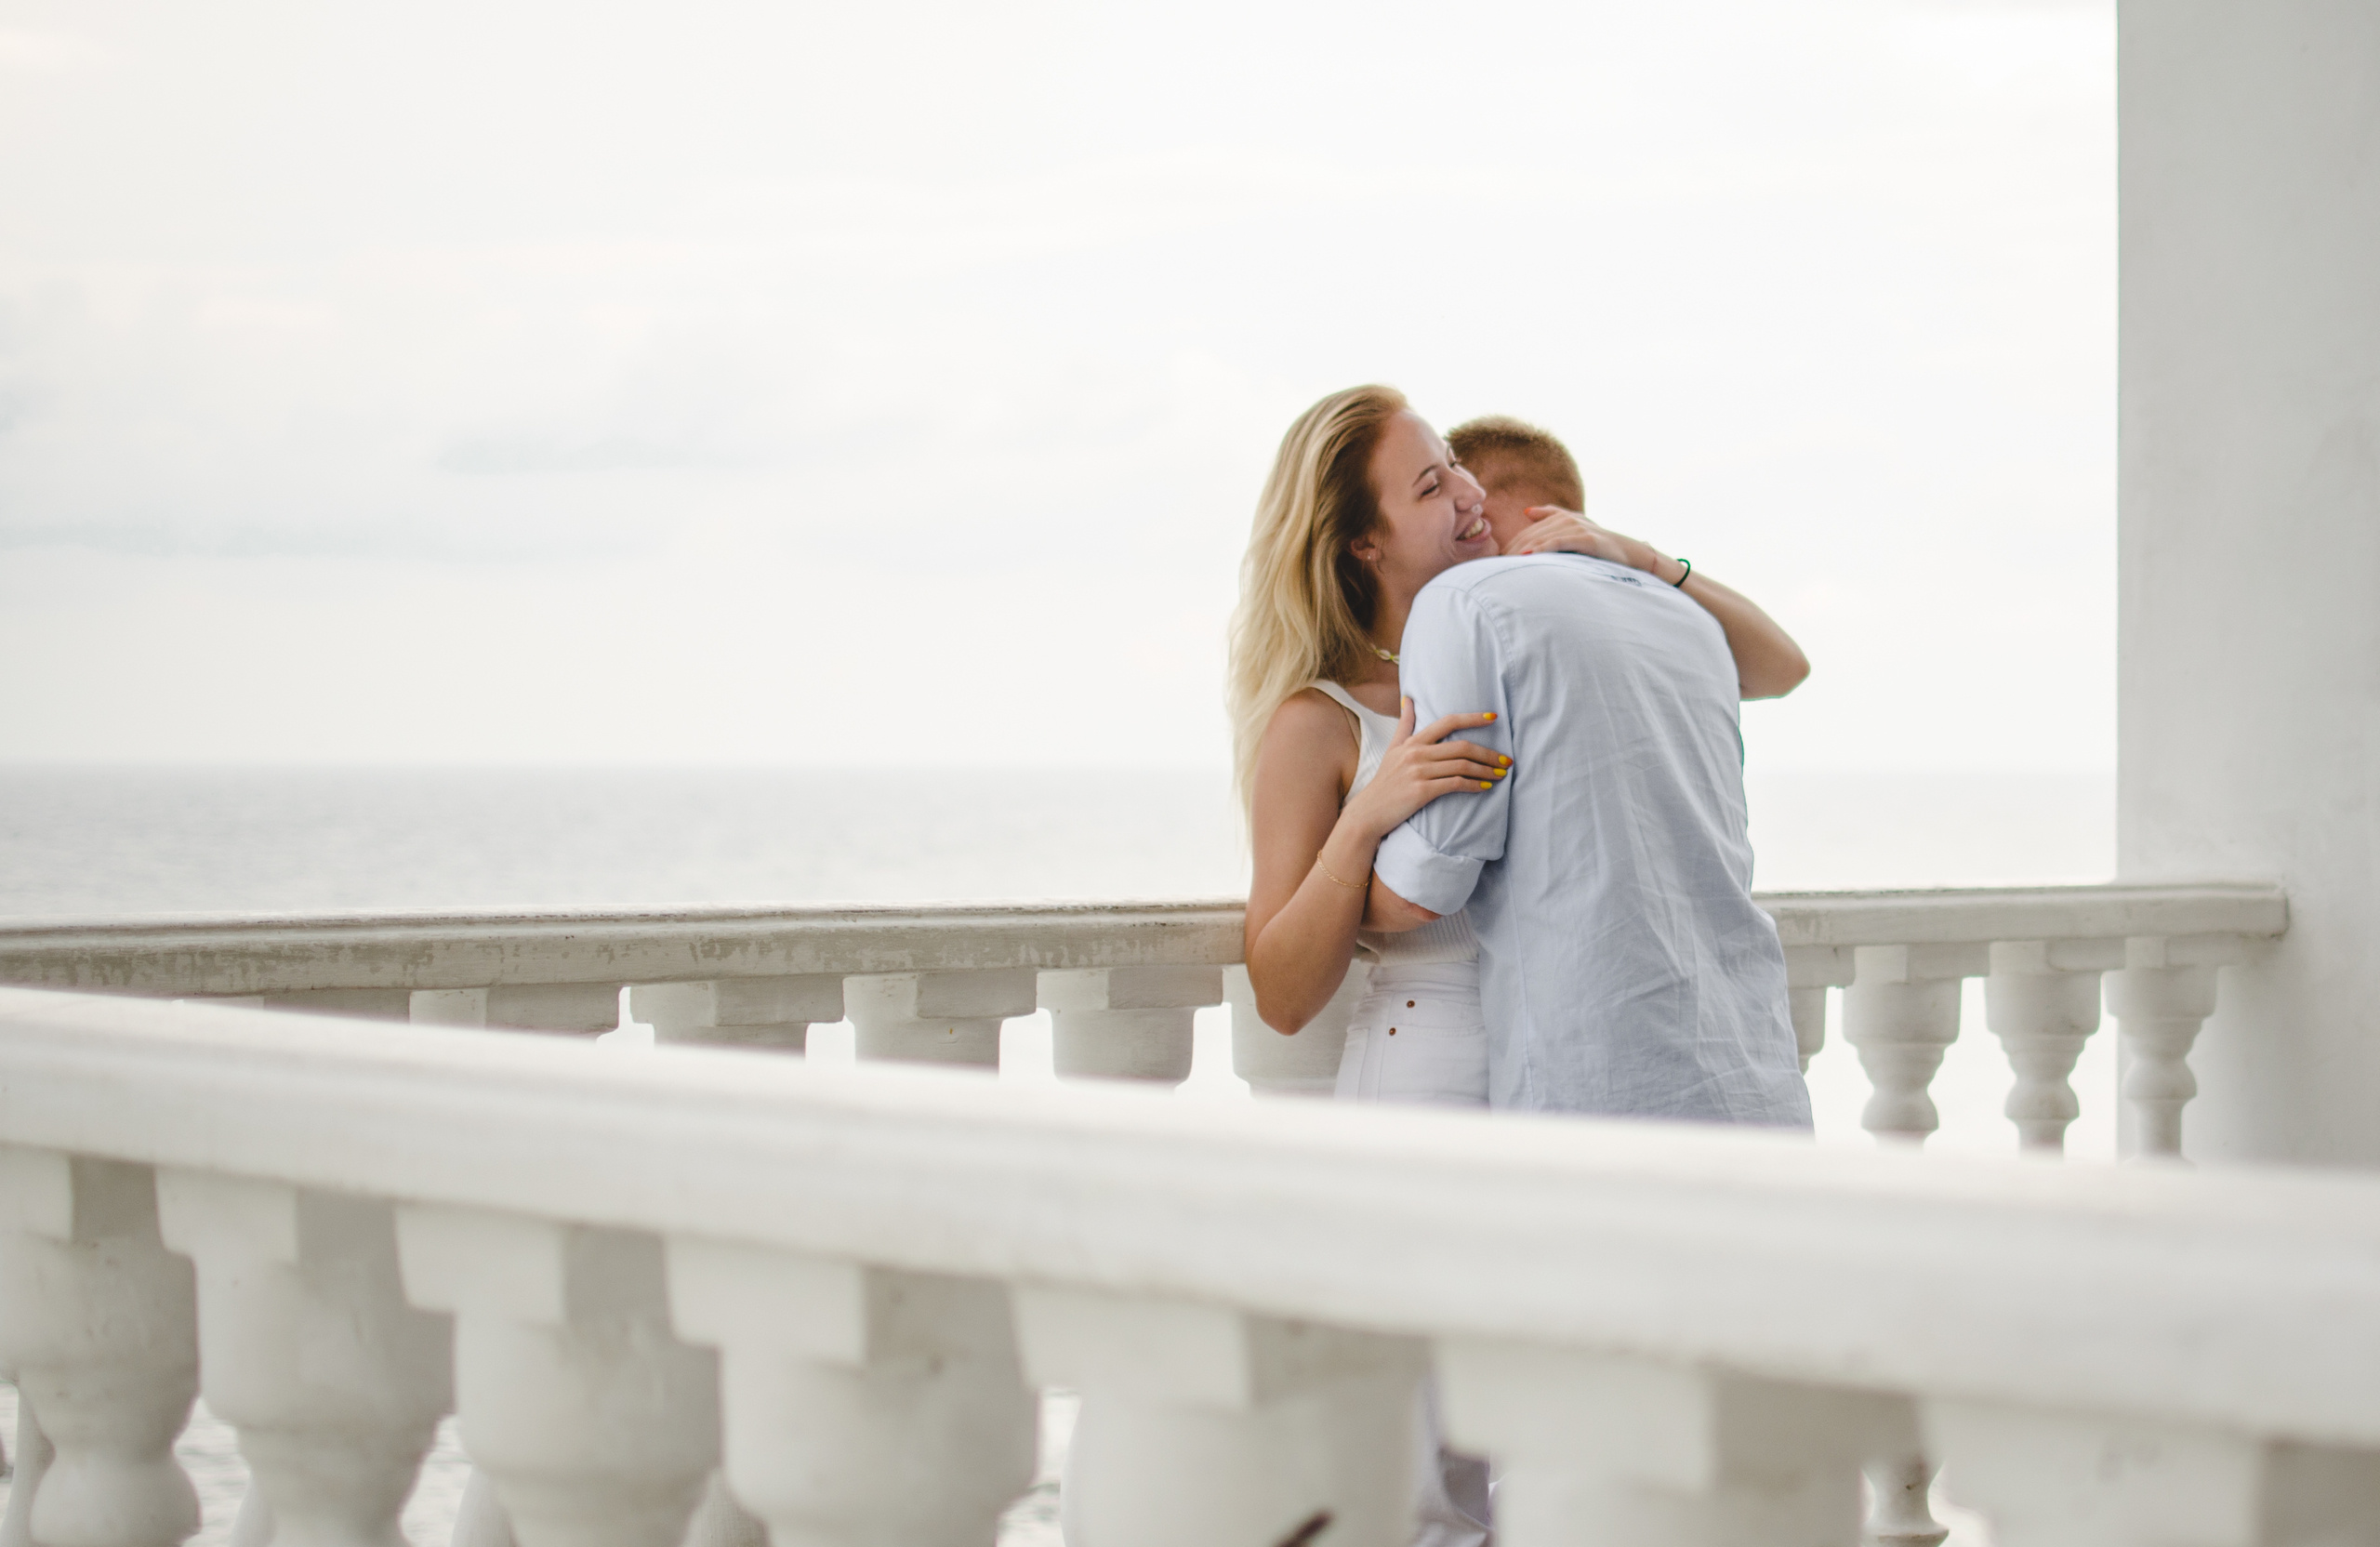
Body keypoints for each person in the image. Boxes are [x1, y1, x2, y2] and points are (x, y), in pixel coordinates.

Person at [1228, 386, 1810, 1547]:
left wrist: (1631, 554)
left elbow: (1776, 664)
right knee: (1433, 1459)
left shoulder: (1516, 644)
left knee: (1560, 1445)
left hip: (1557, 1069)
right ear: (1362, 539)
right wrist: (1363, 819)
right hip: (1431, 1076)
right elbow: (1284, 986)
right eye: (1430, 484)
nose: (1469, 500)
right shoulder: (1321, 717)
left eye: (1456, 468)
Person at [1359, 412, 1815, 1124]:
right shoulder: (1685, 620)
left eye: (1467, 497)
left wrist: (1335, 876)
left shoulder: (1472, 602)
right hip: (1751, 1068)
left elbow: (1429, 882)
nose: (1463, 516)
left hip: (1597, 1079)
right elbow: (1784, 666)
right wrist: (1652, 563)